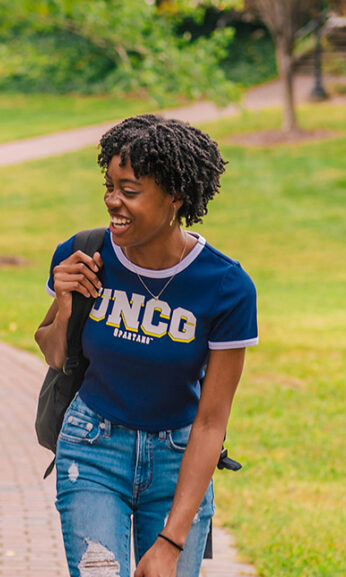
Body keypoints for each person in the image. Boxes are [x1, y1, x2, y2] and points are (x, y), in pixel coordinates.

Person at [34, 114, 257, 577]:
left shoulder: (225, 286)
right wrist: (65, 297)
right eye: (109, 185)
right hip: (92, 448)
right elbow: (55, 353)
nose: (113, 201)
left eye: (129, 190)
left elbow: (212, 421)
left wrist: (172, 542)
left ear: (175, 197)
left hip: (178, 461)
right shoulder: (83, 253)